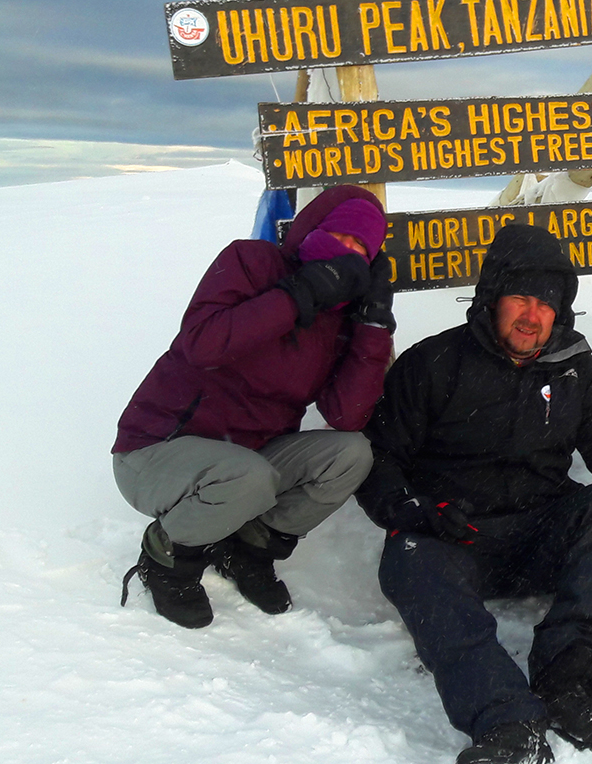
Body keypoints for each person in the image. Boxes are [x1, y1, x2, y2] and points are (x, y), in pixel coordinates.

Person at [356, 224, 592, 764]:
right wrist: (410, 508)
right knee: (406, 555)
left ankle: (566, 682)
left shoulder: (574, 371)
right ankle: (508, 723)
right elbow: (381, 453)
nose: (532, 316)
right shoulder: (434, 363)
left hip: (540, 531)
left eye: (546, 304)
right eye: (520, 298)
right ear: (491, 299)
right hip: (453, 533)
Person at [112, 185, 396, 628]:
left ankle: (247, 549)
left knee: (351, 454)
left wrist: (373, 325)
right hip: (154, 452)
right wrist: (296, 295)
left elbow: (346, 415)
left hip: (247, 463)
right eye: (340, 237)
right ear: (312, 228)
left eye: (361, 249)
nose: (347, 253)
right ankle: (168, 556)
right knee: (249, 477)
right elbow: (203, 344)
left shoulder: (339, 318)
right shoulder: (250, 262)